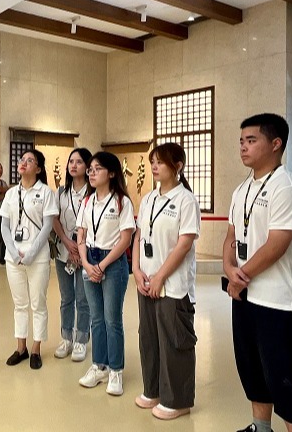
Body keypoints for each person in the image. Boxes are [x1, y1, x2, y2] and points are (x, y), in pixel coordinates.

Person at [223, 114, 292, 432]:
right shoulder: (241, 190)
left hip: (280, 302)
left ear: (276, 144)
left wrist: (239, 275)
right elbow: (231, 237)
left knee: (283, 378)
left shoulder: (288, 187)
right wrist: (229, 268)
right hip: (246, 296)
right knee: (252, 370)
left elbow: (277, 245)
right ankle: (261, 427)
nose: (243, 147)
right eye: (241, 141)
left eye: (251, 140)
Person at [132, 142, 200, 420]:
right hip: (146, 281)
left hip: (173, 285)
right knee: (149, 339)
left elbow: (184, 244)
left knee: (174, 341)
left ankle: (177, 400)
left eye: (160, 162)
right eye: (153, 162)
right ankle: (153, 391)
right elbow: (139, 236)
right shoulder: (148, 199)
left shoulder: (186, 200)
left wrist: (160, 276)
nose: (154, 166)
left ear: (178, 166)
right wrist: (136, 270)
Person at [76, 152, 135, 395]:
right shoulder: (87, 201)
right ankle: (98, 366)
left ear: (111, 173)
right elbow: (81, 234)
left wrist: (102, 266)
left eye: (97, 168)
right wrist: (86, 263)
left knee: (112, 319)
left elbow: (125, 239)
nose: (91, 173)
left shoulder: (121, 201)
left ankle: (116, 370)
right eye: (90, 169)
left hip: (113, 262)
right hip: (89, 260)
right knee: (96, 318)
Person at [0, 150, 58, 370]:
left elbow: (47, 226)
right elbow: (4, 226)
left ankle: (36, 349)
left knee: (38, 304)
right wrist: (14, 252)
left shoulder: (45, 192)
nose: (24, 162)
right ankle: (21, 347)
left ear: (38, 169)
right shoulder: (11, 193)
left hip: (38, 257)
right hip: (14, 257)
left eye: (30, 160)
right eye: (22, 159)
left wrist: (32, 252)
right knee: (20, 304)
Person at [52, 148, 93, 362]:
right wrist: (68, 243)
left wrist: (79, 247)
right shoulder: (61, 192)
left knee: (83, 299)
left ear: (87, 166)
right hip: (64, 252)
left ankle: (81, 339)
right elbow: (54, 219)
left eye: (79, 162)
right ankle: (66, 337)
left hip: (85, 253)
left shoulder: (93, 192)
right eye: (71, 161)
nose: (73, 165)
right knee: (66, 297)